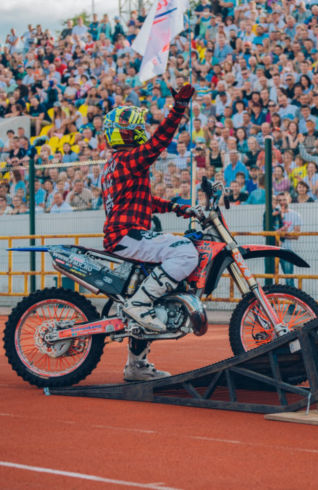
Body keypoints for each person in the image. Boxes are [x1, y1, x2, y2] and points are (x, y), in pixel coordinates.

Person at [101, 84, 200, 382]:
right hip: (126, 235)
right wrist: (179, 107)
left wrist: (178, 207)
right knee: (185, 251)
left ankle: (136, 365)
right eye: (137, 128)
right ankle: (140, 305)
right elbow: (159, 142)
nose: (142, 131)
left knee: (154, 291)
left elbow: (144, 201)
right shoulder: (128, 159)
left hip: (128, 234)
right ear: (126, 133)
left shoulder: (116, 163)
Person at [276, 193, 301, 287]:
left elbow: (296, 235)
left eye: (284, 200)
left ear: (289, 200)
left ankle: (292, 302)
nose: (282, 202)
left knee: (289, 279)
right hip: (272, 249)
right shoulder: (274, 214)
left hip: (286, 250)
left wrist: (281, 234)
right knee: (271, 277)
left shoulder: (295, 215)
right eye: (280, 200)